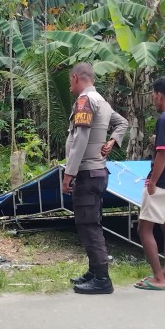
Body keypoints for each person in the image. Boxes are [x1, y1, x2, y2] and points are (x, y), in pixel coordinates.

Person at [62, 62, 128, 295]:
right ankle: (93, 271)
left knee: (89, 225)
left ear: (75, 77)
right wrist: (113, 140)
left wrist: (68, 173)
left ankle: (102, 279)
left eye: (70, 81)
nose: (70, 85)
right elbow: (122, 123)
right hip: (98, 173)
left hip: (87, 172)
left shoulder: (85, 100)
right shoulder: (102, 101)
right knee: (91, 222)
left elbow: (80, 139)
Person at [134, 77, 165, 291]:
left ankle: (157, 278)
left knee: (144, 229)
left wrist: (153, 182)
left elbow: (162, 154)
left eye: (153, 95)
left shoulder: (164, 119)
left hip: (162, 182)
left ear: (158, 95)